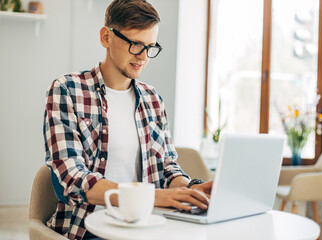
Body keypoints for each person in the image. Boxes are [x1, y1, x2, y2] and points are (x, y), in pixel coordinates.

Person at [43, 0, 212, 239]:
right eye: (135, 45)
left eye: (150, 47)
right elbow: (70, 179)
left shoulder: (153, 99)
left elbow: (167, 169)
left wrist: (192, 188)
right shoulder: (67, 90)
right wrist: (152, 196)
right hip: (89, 229)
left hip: (149, 226)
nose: (143, 57)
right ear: (106, 37)